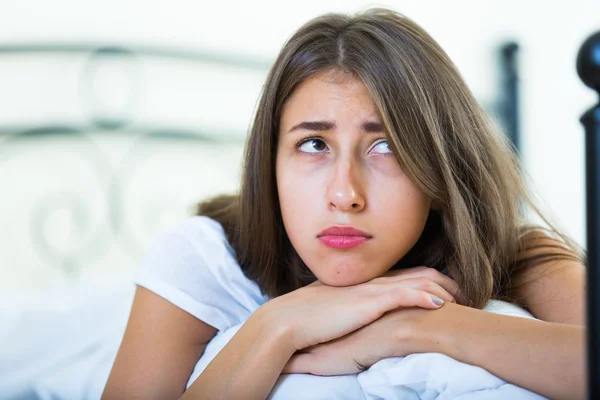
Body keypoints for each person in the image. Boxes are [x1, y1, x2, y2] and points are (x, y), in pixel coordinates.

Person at [102, 8, 586, 400]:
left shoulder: (510, 255)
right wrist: (279, 324)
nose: (344, 195)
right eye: (314, 144)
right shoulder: (209, 258)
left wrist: (416, 330)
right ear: (270, 164)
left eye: (386, 147)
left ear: (440, 173)